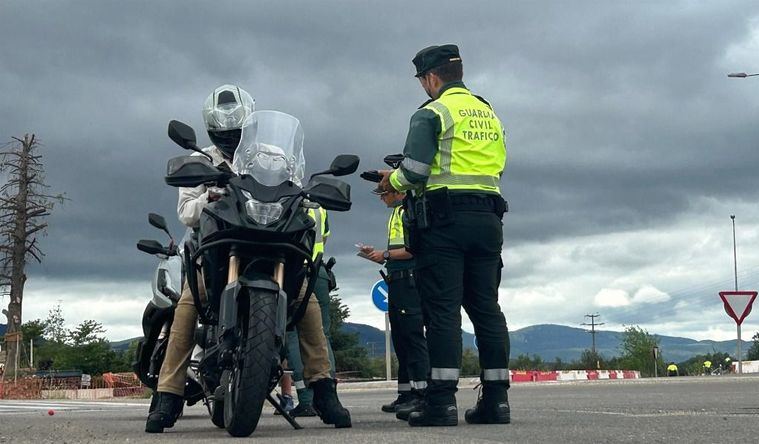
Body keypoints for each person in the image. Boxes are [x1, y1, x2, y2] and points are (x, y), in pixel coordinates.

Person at [146, 85, 351, 433]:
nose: (229, 138)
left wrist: (306, 196)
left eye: (235, 132)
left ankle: (324, 391)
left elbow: (294, 185)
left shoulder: (271, 154)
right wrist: (210, 196)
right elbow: (185, 213)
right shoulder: (203, 160)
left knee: (306, 302)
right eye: (222, 133)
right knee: (187, 304)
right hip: (217, 246)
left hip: (269, 240)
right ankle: (168, 395)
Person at [379, 44, 510, 427]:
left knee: (443, 312)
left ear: (432, 78)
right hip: (489, 217)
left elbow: (415, 170)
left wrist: (393, 180)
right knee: (487, 308)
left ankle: (441, 403)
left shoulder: (432, 113)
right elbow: (499, 163)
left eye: (422, 80)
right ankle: (497, 402)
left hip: (444, 221)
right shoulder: (488, 111)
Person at [360, 187, 429, 414]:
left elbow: (414, 249)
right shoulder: (396, 213)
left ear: (399, 192)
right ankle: (406, 393)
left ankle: (421, 394)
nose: (381, 197)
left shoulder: (409, 212)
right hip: (397, 279)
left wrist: (385, 255)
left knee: (412, 337)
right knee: (400, 338)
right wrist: (378, 255)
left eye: (384, 193)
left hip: (408, 279)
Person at [279, 206, 337, 418]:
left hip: (296, 269)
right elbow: (324, 238)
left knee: (293, 334)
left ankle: (305, 399)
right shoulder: (321, 208)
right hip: (318, 270)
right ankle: (328, 393)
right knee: (321, 335)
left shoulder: (290, 202)